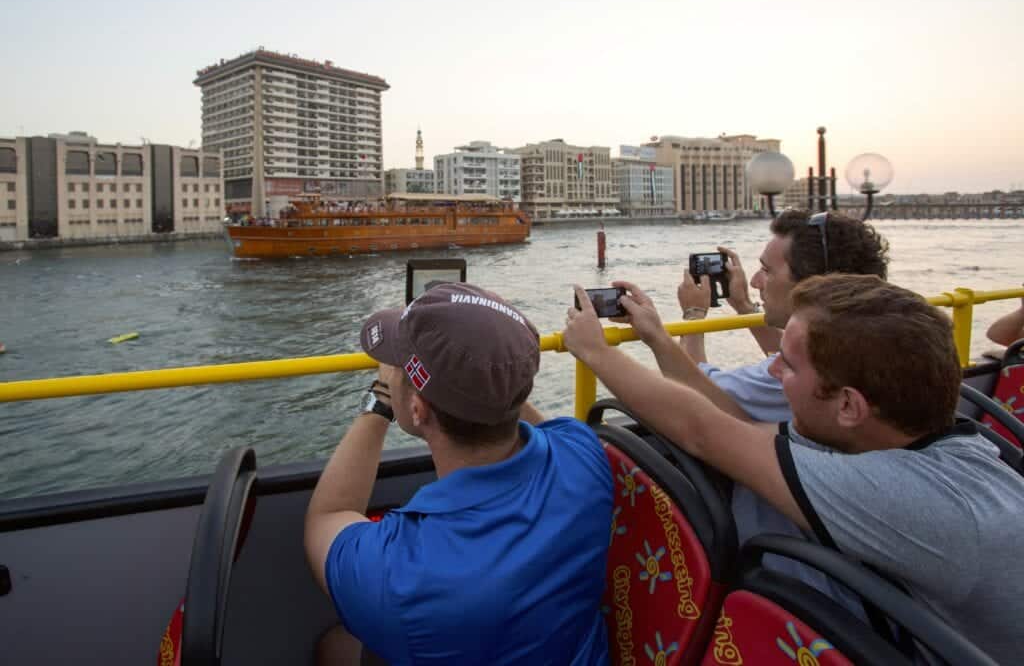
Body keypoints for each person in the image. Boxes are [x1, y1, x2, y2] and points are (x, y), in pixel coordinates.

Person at [565, 275, 1024, 664]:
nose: (772, 371)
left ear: (848, 404)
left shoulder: (911, 499)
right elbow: (733, 426)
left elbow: (702, 432)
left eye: (788, 364)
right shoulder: (913, 438)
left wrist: (598, 354)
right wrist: (658, 337)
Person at [304, 282, 613, 665]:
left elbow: (328, 518)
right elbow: (521, 414)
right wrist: (486, 368)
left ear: (418, 409)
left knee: (334, 647)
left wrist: (380, 401)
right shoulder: (585, 456)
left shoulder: (402, 575)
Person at [623, 211, 890, 604]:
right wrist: (745, 304)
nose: (756, 279)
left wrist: (684, 321)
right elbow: (793, 356)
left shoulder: (794, 378)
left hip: (790, 589)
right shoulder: (881, 342)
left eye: (767, 271)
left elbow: (693, 397)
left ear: (811, 287)